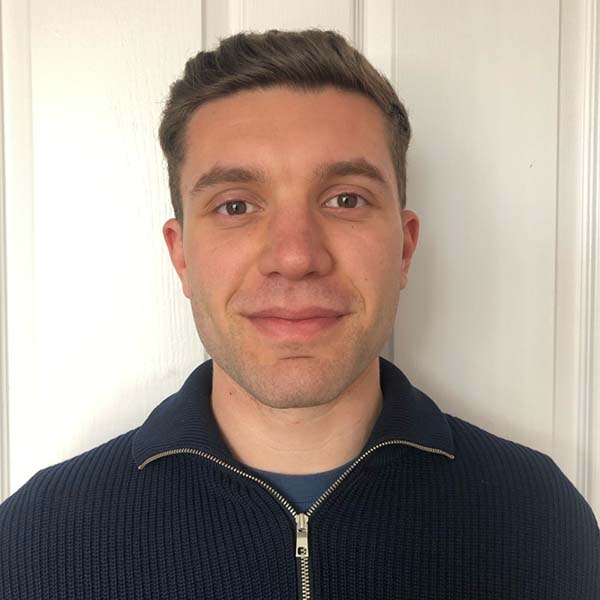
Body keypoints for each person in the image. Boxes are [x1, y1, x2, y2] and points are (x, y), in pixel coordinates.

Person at [0, 28, 598, 600]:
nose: (295, 257)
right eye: (236, 206)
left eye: (345, 199)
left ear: (404, 248)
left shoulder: (543, 519)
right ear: (181, 257)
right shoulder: (33, 542)